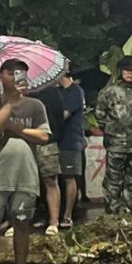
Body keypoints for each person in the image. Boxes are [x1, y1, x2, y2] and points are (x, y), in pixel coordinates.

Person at [0, 59, 49, 264]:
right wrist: (9, 103)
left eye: (20, 73)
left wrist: (16, 127)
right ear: (1, 76)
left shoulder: (35, 105)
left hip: (25, 173)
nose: (16, 77)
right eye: (10, 72)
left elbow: (44, 136)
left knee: (21, 224)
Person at [94, 55, 132, 215]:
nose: (129, 74)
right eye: (126, 70)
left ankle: (130, 211)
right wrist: (113, 131)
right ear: (120, 72)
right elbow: (100, 115)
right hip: (116, 143)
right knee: (113, 180)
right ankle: (113, 212)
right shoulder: (109, 92)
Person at [31, 76, 66, 235]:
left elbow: (59, 118)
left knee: (50, 180)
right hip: (27, 141)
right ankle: (20, 220)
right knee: (24, 184)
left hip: (47, 141)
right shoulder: (21, 93)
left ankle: (53, 221)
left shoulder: (52, 93)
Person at [58, 69, 86, 228]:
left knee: (70, 177)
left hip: (70, 139)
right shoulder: (58, 92)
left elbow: (64, 114)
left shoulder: (75, 91)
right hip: (58, 139)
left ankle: (68, 215)